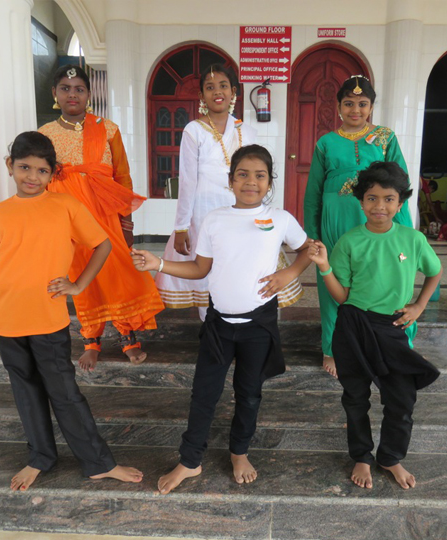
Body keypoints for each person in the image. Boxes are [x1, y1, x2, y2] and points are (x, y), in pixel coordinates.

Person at [0, 132, 143, 491]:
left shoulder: (65, 206)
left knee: (64, 393)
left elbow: (102, 244)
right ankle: (40, 458)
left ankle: (98, 464)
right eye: (24, 167)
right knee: (25, 391)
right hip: (3, 316)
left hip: (47, 320)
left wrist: (77, 286)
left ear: (53, 173)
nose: (32, 176)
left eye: (42, 170)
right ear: (10, 166)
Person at [132, 145, 312, 494]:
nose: (251, 181)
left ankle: (239, 452)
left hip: (259, 326)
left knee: (249, 393)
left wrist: (289, 272)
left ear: (269, 182)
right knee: (203, 393)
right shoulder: (215, 219)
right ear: (230, 181)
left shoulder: (280, 219)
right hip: (219, 325)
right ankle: (190, 460)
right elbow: (201, 268)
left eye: (260, 175)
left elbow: (307, 248)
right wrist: (159, 264)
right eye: (242, 174)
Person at [308, 161, 442, 490]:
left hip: (394, 326)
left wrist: (419, 306)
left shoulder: (413, 239)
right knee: (355, 397)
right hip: (354, 325)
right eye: (371, 198)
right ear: (361, 201)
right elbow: (342, 296)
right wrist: (324, 267)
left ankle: (390, 457)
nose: (379, 206)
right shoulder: (350, 241)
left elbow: (434, 271)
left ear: (400, 202)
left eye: (388, 198)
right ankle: (361, 456)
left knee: (402, 398)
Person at [39, 65, 163, 371]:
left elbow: (123, 176)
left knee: (119, 274)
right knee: (83, 278)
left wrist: (127, 222)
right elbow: (39, 177)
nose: (72, 94)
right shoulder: (44, 135)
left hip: (106, 216)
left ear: (89, 94)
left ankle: (128, 336)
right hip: (69, 220)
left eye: (79, 89)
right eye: (65, 88)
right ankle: (91, 340)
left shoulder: (107, 129)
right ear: (55, 93)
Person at [156, 64, 303, 320]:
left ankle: (251, 316)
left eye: (223, 86)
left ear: (233, 91)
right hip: (204, 211)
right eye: (210, 87)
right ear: (201, 95)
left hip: (242, 210)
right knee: (208, 267)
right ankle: (212, 325)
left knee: (245, 261)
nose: (217, 92)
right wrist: (181, 227)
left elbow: (255, 173)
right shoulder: (193, 130)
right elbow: (188, 181)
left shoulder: (246, 131)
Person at [304, 75, 413, 378]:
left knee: (381, 278)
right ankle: (332, 348)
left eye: (362, 103)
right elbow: (313, 193)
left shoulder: (385, 137)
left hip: (377, 219)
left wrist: (405, 231)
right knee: (333, 281)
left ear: (371, 106)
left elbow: (400, 185)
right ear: (339, 106)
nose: (356, 110)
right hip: (336, 221)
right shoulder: (326, 143)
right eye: (349, 103)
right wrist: (312, 234)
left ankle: (391, 343)